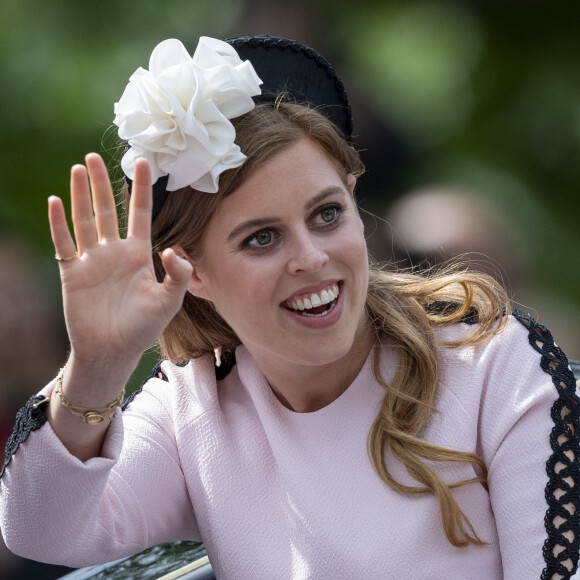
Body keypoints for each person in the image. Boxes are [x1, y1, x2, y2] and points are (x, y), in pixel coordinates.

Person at [0, 35, 578, 580]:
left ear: (353, 198)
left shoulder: (492, 366)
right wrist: (98, 363)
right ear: (191, 270)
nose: (310, 258)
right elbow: (41, 530)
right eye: (262, 238)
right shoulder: (191, 406)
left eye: (326, 215)